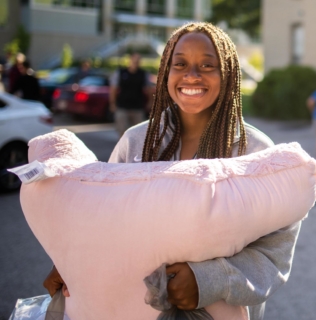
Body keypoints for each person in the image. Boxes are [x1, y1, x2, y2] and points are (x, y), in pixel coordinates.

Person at [43, 22, 301, 320]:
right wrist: (69, 261)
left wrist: (207, 280)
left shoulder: (255, 151)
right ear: (166, 71)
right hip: (131, 308)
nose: (192, 75)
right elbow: (102, 220)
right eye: (180, 64)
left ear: (228, 73)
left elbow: (274, 253)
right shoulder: (136, 142)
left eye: (207, 65)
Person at [110, 53, 151, 137]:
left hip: (137, 107)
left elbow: (148, 89)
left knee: (139, 133)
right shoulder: (121, 73)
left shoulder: (143, 74)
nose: (136, 62)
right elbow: (113, 89)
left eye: (138, 60)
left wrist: (150, 102)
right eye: (134, 60)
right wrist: (112, 103)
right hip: (122, 106)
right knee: (122, 132)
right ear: (130, 60)